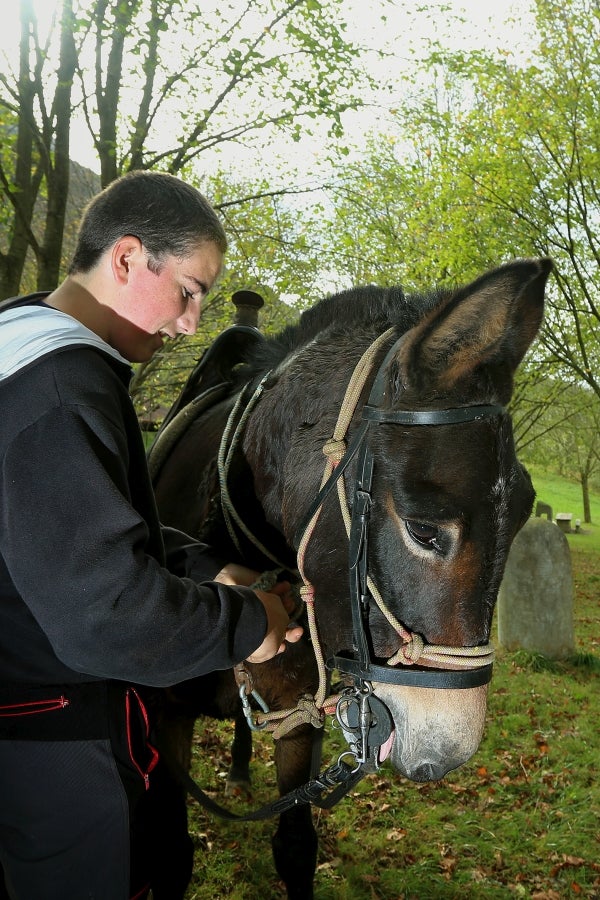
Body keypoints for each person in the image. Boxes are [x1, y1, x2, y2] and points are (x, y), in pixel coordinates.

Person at [0, 170, 303, 900]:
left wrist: (204, 568)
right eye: (190, 291)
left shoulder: (17, 336)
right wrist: (247, 622)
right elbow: (104, 615)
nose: (191, 324)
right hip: (48, 747)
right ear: (129, 258)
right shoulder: (64, 387)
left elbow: (59, 525)